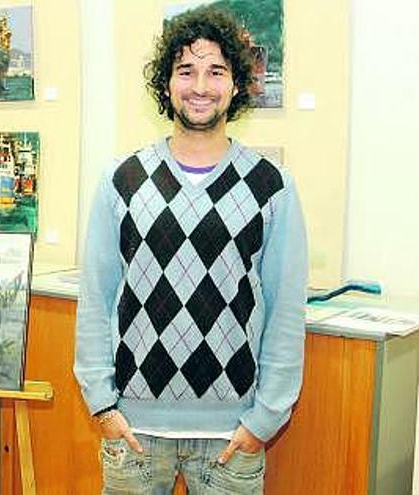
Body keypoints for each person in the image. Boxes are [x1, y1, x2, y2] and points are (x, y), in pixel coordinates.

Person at [74, 6, 307, 494]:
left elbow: (286, 309)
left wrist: (263, 420)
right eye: (186, 71)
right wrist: (102, 402)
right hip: (133, 434)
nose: (200, 85)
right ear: (166, 85)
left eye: (216, 71)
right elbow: (97, 296)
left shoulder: (272, 186)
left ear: (237, 85)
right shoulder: (121, 181)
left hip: (231, 437)